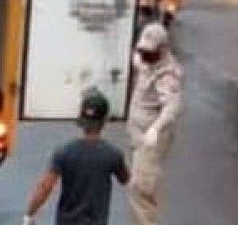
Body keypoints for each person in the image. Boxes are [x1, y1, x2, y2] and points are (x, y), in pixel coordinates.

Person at [23, 90, 129, 225]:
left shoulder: (64, 152)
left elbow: (45, 186)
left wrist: (29, 214)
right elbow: (125, 179)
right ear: (105, 120)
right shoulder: (113, 154)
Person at [127, 23, 183, 225]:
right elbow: (137, 59)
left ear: (162, 50)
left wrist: (155, 129)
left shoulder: (167, 75)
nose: (144, 57)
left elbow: (172, 107)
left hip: (151, 139)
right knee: (136, 186)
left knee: (141, 188)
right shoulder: (145, 61)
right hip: (137, 135)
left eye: (149, 54)